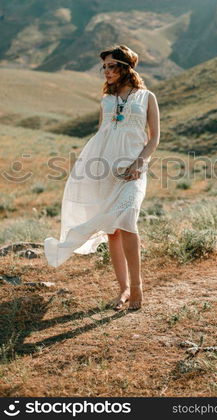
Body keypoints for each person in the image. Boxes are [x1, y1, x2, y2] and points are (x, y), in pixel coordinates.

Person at [44, 44, 160, 311]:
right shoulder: (106, 101)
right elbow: (101, 135)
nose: (106, 71)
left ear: (125, 67)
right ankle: (123, 290)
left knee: (129, 221)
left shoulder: (146, 97)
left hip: (133, 170)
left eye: (111, 66)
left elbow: (154, 137)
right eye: (104, 67)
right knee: (113, 232)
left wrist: (139, 163)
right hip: (104, 170)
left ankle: (138, 287)